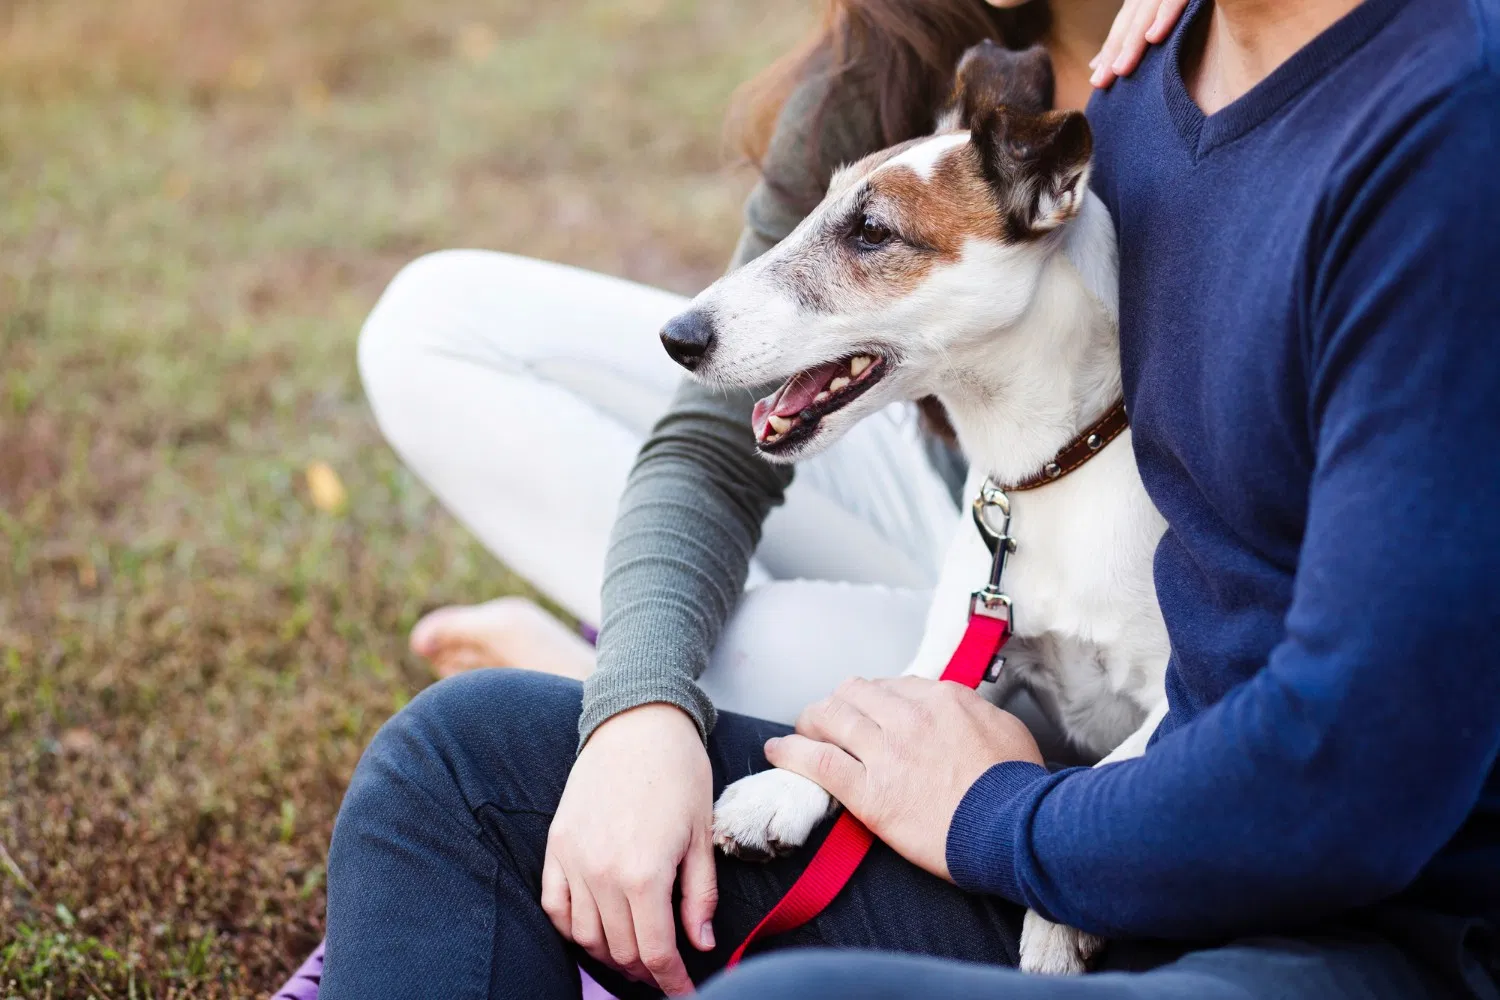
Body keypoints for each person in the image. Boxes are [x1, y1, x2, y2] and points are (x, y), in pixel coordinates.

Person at [321, 0, 1500, 997]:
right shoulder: (1145, 83)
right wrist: (640, 697)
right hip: (1093, 795)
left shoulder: (1441, 134)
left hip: (1335, 928)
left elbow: (1357, 767)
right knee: (455, 768)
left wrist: (1005, 818)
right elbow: (720, 434)